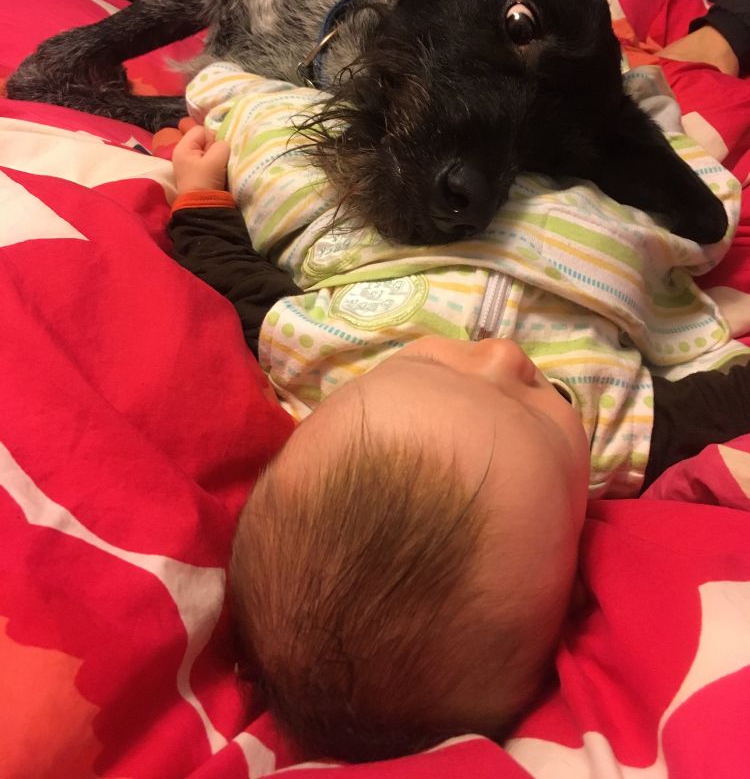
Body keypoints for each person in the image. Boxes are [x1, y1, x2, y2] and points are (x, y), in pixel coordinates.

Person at [166, 60, 750, 763]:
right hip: (589, 210)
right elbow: (723, 403)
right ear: (570, 569)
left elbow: (232, 283)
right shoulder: (619, 444)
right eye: (548, 403)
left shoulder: (315, 357)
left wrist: (198, 196)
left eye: (424, 360)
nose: (503, 357)